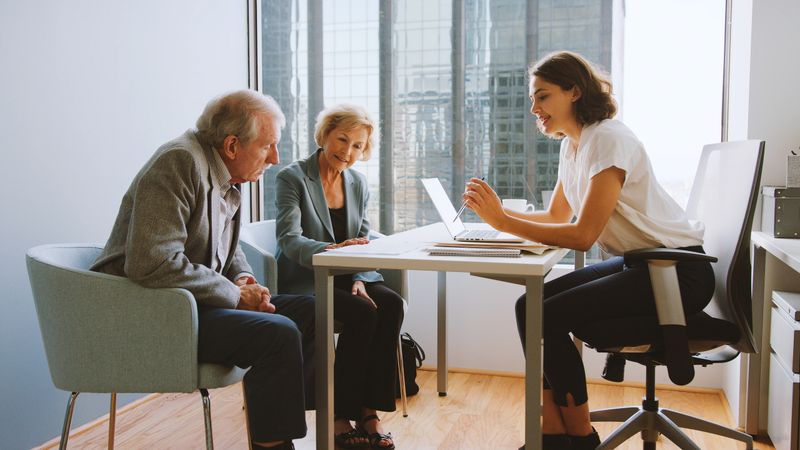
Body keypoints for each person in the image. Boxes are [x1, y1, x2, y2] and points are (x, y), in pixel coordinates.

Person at [462, 51, 715, 450]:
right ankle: (552, 430)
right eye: (534, 98)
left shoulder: (608, 139)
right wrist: (493, 224)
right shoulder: (573, 145)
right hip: (642, 265)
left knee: (546, 313)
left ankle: (579, 436)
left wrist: (504, 222)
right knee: (527, 307)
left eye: (542, 97)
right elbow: (556, 215)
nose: (534, 108)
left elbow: (582, 236)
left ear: (574, 91)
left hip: (676, 273)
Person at [91, 90, 314, 450]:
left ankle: (307, 427)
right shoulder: (179, 162)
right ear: (231, 145)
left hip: (194, 305)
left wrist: (241, 278)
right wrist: (235, 295)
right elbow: (153, 261)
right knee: (279, 334)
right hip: (153, 314)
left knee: (313, 311)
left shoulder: (225, 175)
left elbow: (228, 246)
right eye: (268, 146)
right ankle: (275, 445)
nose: (276, 157)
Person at [275, 104, 404, 450]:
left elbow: (362, 237)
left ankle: (369, 411)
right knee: (363, 313)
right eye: (342, 139)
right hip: (308, 276)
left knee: (389, 304)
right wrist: (333, 253)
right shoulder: (293, 177)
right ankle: (337, 417)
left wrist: (361, 275)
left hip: (349, 273)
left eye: (357, 145)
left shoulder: (358, 183)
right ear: (324, 136)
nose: (347, 151)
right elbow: (289, 240)